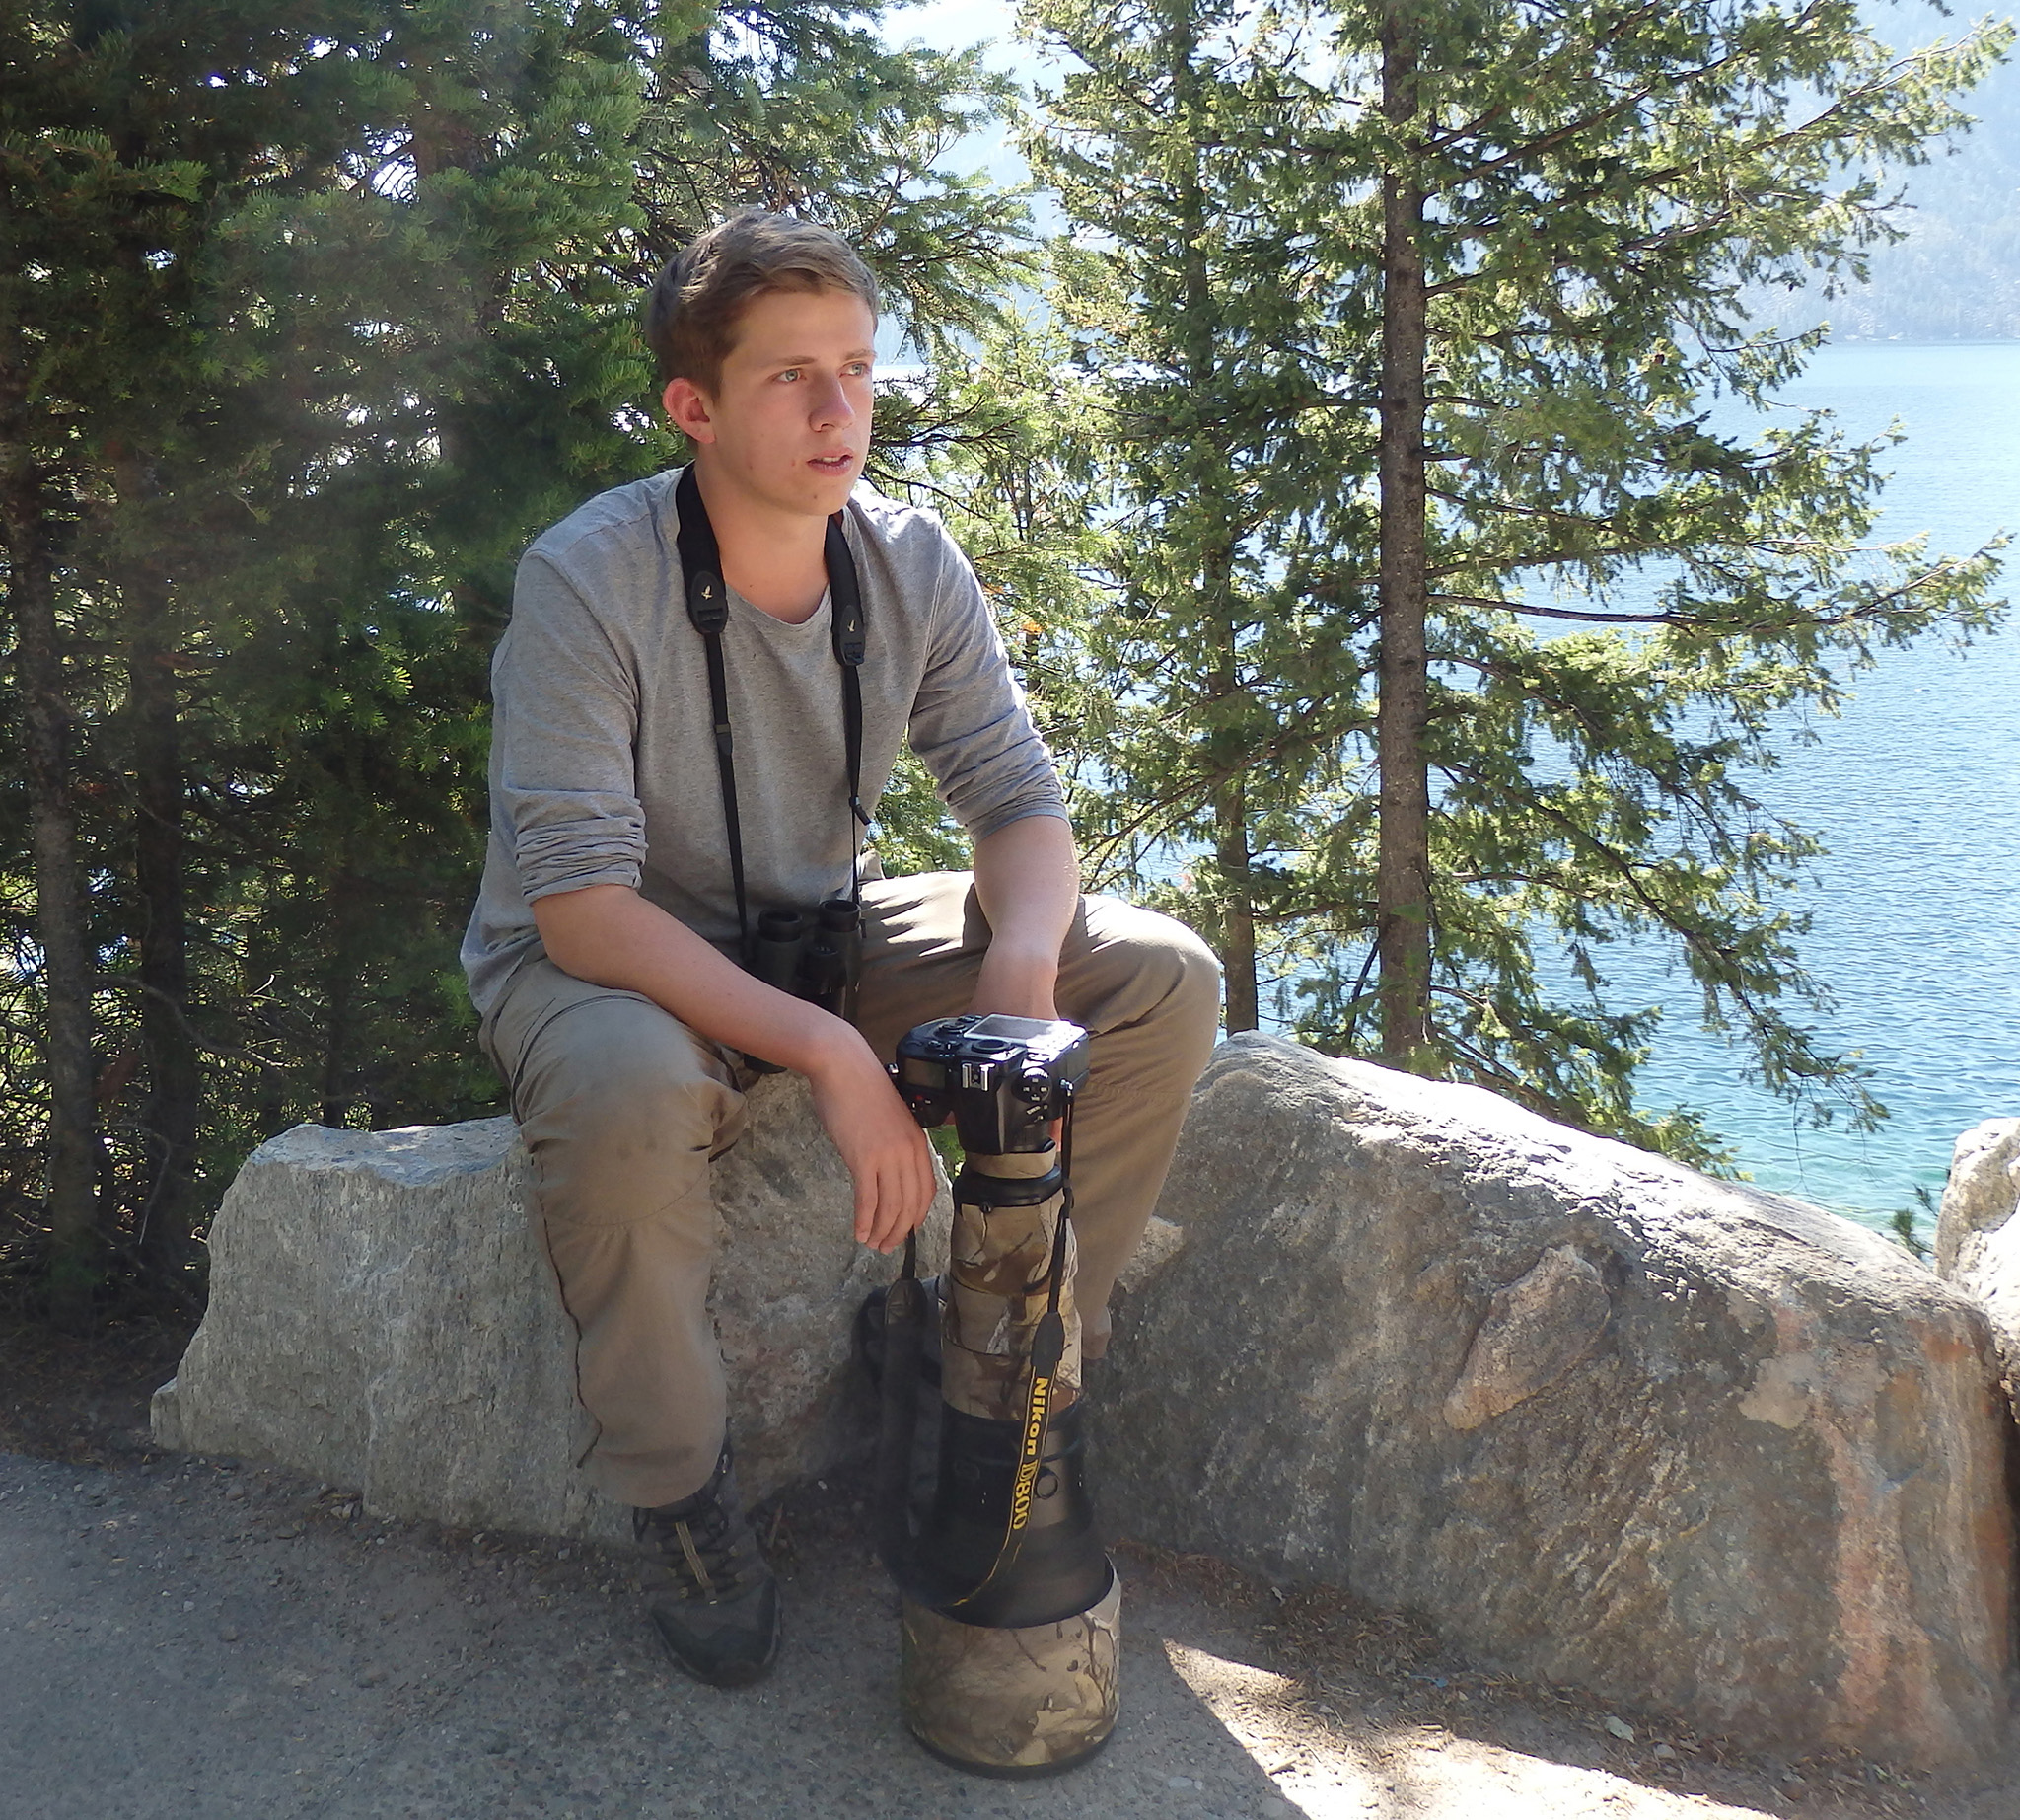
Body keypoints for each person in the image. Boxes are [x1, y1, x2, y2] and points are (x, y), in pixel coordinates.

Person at [461, 210, 1221, 1689]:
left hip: (815, 931)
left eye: (859, 371)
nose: (836, 412)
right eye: (790, 378)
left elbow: (1017, 798)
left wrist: (1015, 984)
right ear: (693, 406)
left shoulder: (907, 562)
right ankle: (681, 1497)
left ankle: (1012, 1374)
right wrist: (829, 1054)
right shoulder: (589, 579)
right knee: (626, 1103)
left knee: (1156, 977)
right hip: (611, 962)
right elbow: (580, 908)